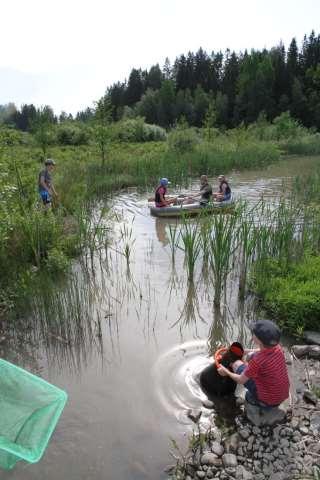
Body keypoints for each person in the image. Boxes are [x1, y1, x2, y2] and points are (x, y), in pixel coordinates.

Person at [217, 319, 290, 408]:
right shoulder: (277, 348)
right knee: (251, 356)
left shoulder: (258, 361)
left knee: (236, 365)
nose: (252, 334)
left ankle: (255, 402)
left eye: (254, 333)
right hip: (281, 397)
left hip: (267, 402)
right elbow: (261, 351)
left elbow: (241, 380)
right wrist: (247, 351)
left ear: (258, 340)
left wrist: (226, 371)